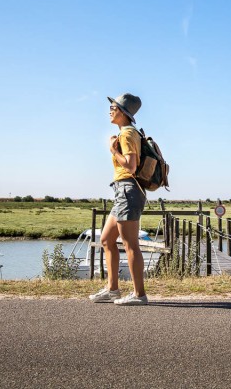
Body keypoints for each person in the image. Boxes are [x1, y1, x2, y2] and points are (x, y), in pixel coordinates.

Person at [88, 93, 148, 306]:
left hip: (128, 190)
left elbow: (130, 166)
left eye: (113, 107)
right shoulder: (126, 132)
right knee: (106, 240)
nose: (110, 110)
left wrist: (113, 150)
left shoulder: (127, 134)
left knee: (130, 244)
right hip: (122, 191)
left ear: (123, 112)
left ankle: (139, 294)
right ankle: (112, 289)